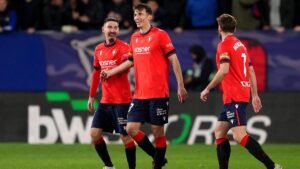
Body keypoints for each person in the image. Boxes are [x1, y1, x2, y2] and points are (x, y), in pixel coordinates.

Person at [101, 3, 188, 169]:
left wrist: (180, 85)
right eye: (135, 15)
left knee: (158, 133)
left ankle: (157, 165)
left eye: (140, 14)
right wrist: (110, 72)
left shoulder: (160, 35)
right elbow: (130, 62)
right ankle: (158, 158)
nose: (137, 18)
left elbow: (174, 60)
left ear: (149, 16)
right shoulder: (134, 38)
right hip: (139, 95)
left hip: (158, 94)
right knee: (130, 128)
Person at [200, 14, 282, 169]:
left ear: (219, 28)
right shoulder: (240, 45)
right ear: (234, 28)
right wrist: (255, 95)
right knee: (219, 132)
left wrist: (207, 88)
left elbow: (223, 70)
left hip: (234, 95)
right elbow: (251, 70)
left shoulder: (224, 45)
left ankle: (272, 166)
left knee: (239, 136)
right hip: (238, 94)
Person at [87, 17, 136, 169]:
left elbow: (128, 65)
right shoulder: (98, 49)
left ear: (118, 31)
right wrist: (91, 96)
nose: (113, 30)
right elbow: (96, 73)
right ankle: (108, 166)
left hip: (122, 99)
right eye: (109, 27)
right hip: (105, 100)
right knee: (95, 134)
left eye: (115, 27)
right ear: (103, 29)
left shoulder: (124, 47)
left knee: (125, 136)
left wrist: (110, 72)